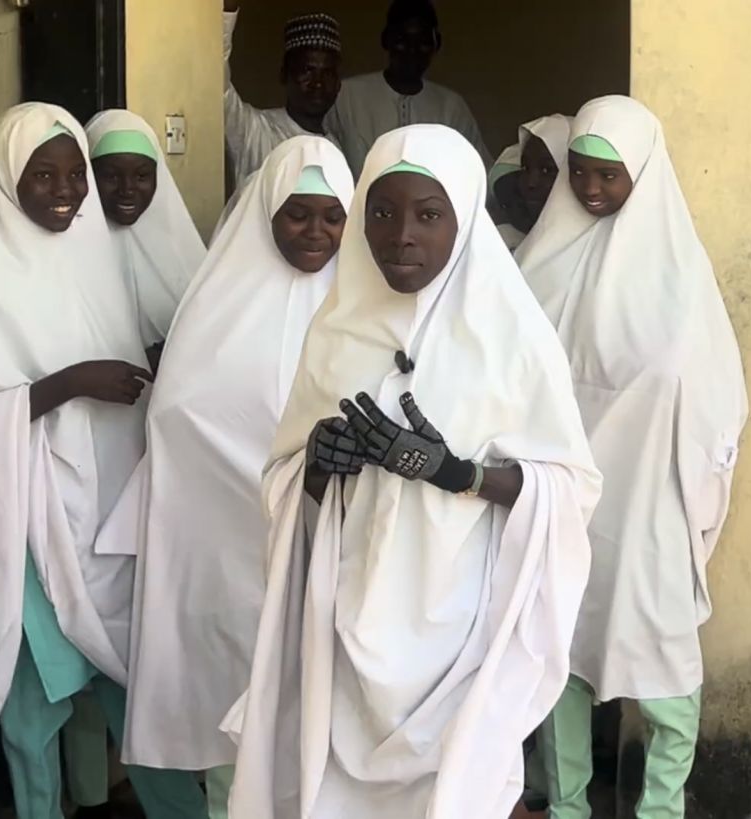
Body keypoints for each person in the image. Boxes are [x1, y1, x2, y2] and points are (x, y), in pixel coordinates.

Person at [223, 124, 601, 819]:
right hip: (346, 621)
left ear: (462, 217)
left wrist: (458, 474)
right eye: (383, 211)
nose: (402, 235)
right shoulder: (337, 333)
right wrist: (315, 466)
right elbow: (284, 479)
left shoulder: (512, 341)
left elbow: (570, 488)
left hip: (460, 633)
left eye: (428, 214)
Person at [0, 102, 208, 819]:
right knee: (35, 710)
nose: (65, 189)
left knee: (139, 694)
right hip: (32, 521)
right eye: (43, 174)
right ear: (5, 180)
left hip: (112, 513)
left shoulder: (96, 262)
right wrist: (69, 384)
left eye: (72, 173)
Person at [96, 134, 353, 819]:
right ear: (266, 210)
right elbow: (180, 416)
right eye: (298, 213)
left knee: (328, 720)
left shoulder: (366, 308)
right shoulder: (218, 307)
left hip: (334, 551)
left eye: (333, 216)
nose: (316, 231)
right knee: (231, 716)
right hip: (229, 553)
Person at [516, 96, 748, 819]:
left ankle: (660, 809)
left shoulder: (678, 278)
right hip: (563, 506)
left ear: (643, 175)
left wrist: (698, 498)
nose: (589, 189)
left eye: (609, 176)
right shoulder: (541, 263)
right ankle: (569, 805)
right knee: (563, 662)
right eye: (579, 171)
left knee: (668, 674)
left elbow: (716, 398)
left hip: (651, 503)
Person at [86, 109, 206, 373]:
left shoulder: (187, 257)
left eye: (141, 176)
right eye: (110, 176)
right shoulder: (70, 256)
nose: (127, 189)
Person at [327, 0, 491, 179]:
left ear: (437, 43)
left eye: (423, 42)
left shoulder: (451, 108)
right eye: (401, 40)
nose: (412, 50)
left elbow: (480, 172)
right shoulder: (347, 97)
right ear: (385, 40)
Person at [222, 0, 342, 191]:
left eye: (327, 73)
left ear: (338, 83)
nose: (317, 82)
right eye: (307, 70)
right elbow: (218, 80)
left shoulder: (337, 148)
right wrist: (226, 11)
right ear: (284, 74)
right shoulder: (255, 130)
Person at [488, 114, 572, 251]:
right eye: (525, 168)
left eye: (547, 170)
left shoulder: (599, 245)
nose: (530, 182)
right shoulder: (499, 243)